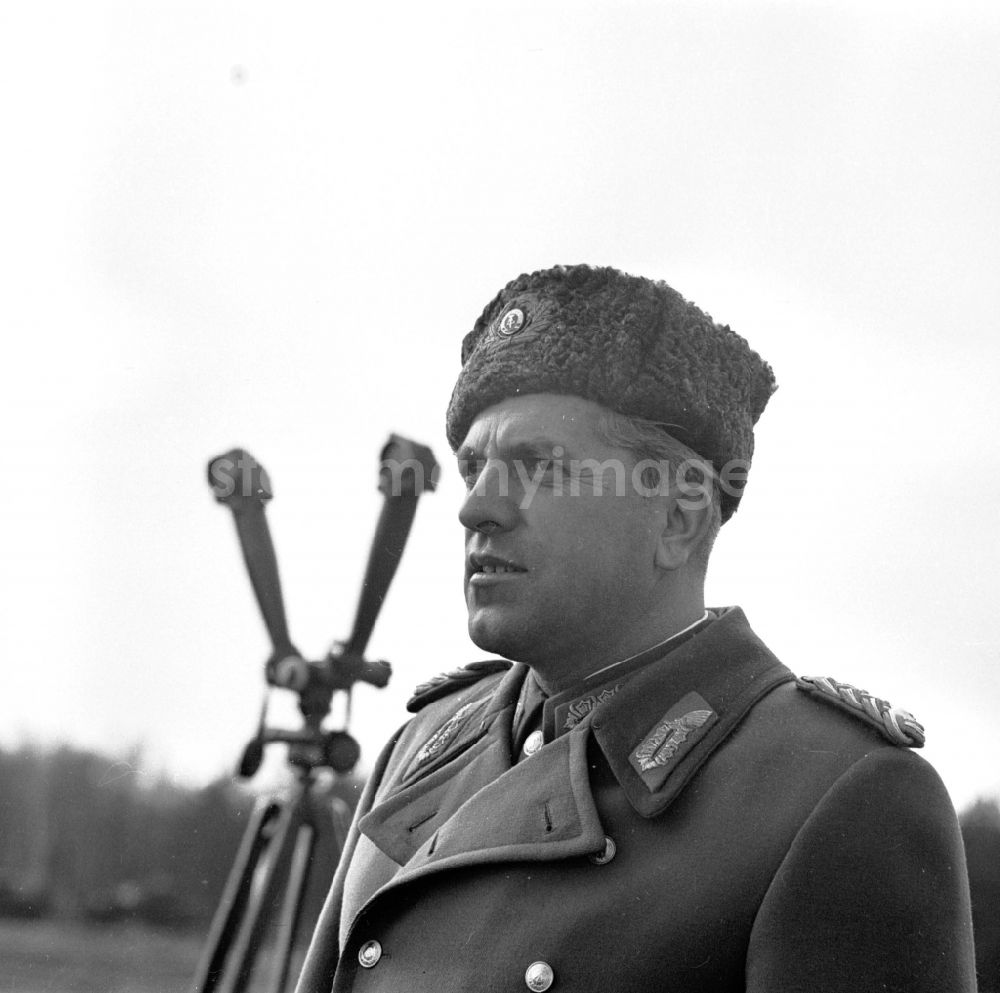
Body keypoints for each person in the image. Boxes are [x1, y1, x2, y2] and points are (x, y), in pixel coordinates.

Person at [296, 264, 977, 992]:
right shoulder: (422, 748)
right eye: (472, 468)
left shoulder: (833, 793)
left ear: (677, 518)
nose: (476, 508)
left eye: (538, 466)